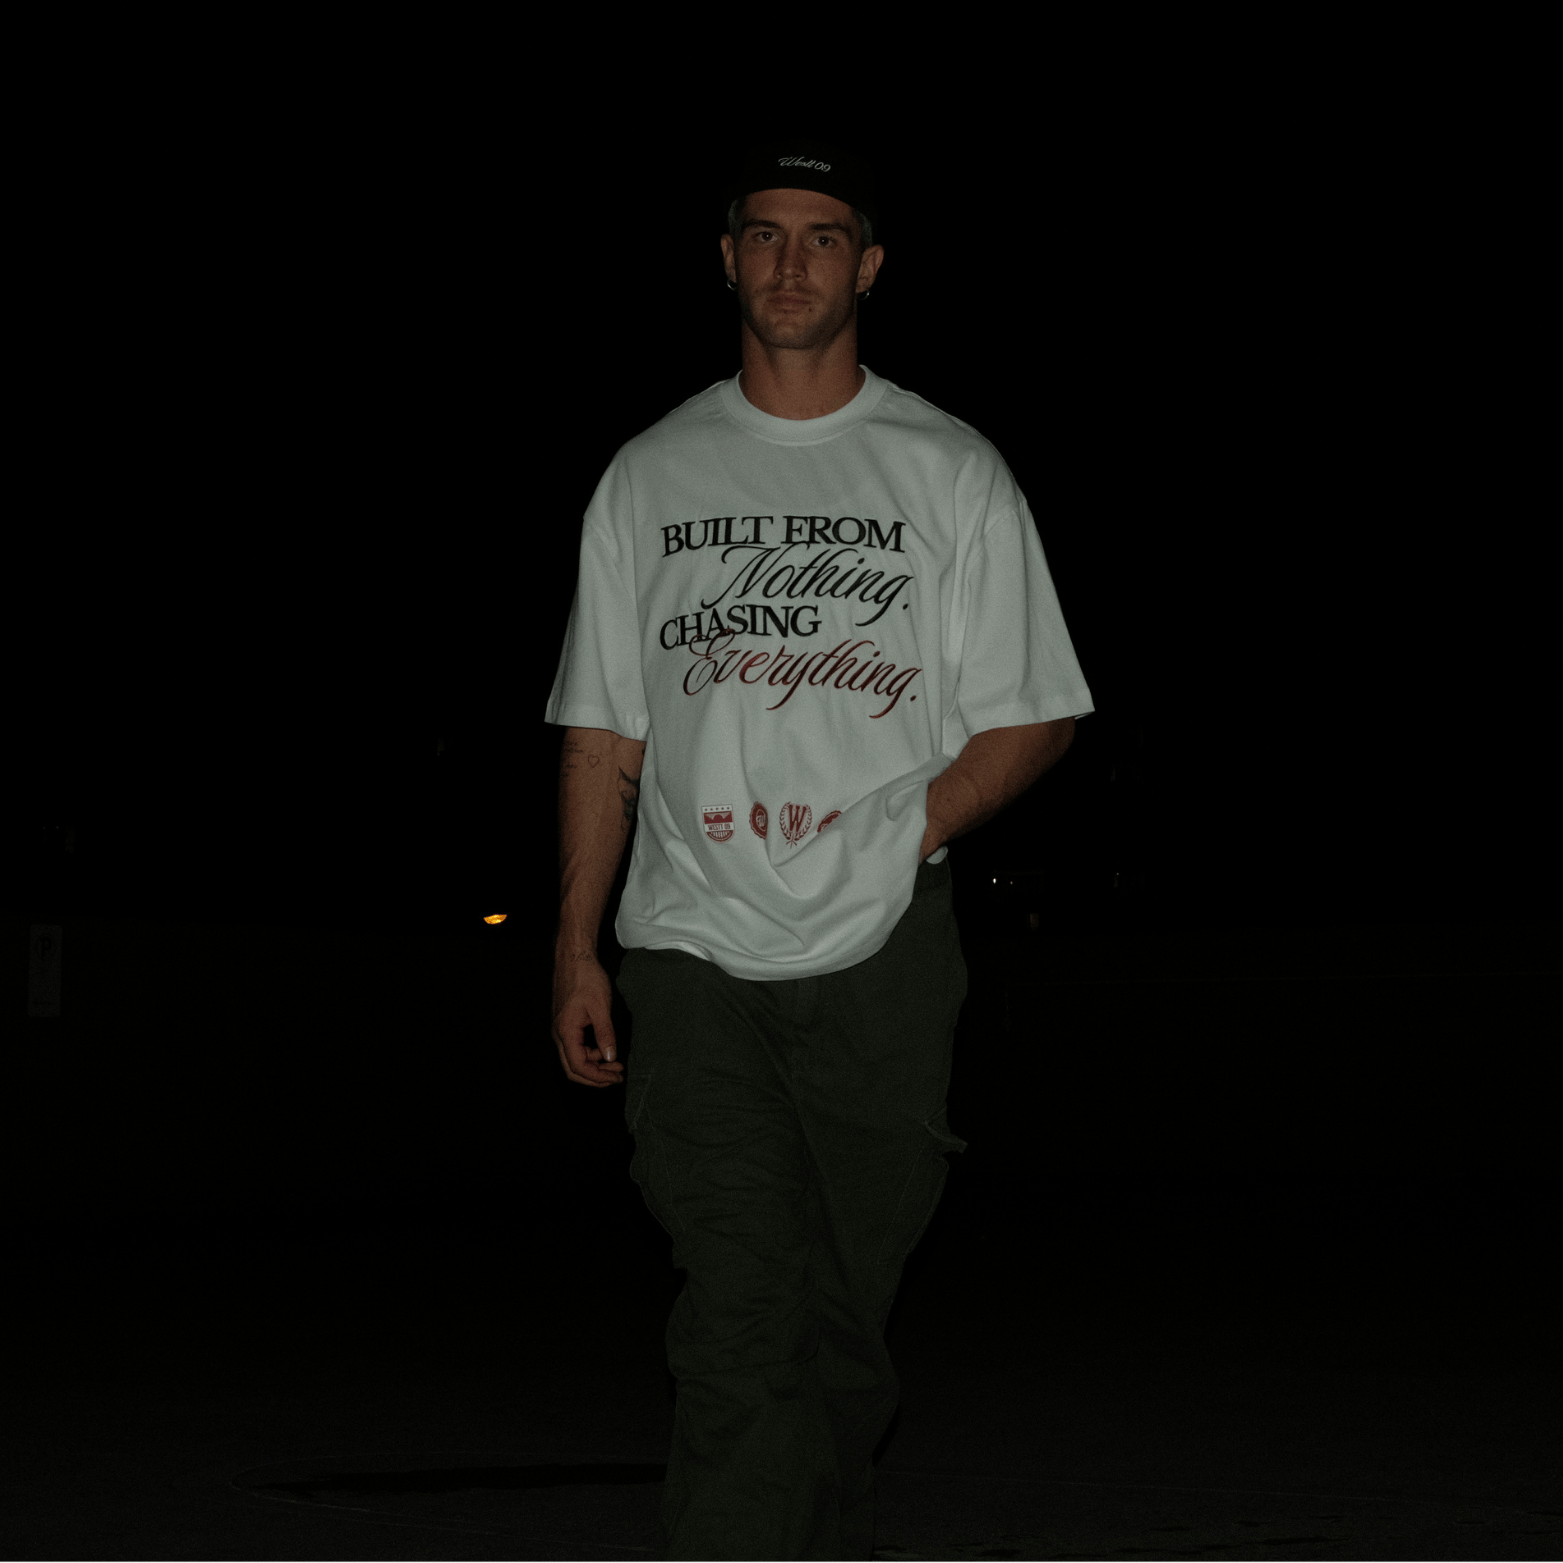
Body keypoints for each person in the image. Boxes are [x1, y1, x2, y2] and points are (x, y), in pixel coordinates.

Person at [544, 141, 1094, 1560]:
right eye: (764, 234)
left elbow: (1035, 714)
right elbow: (602, 733)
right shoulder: (649, 474)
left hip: (883, 953)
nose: (791, 262)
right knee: (739, 1305)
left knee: (839, 1320)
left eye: (824, 236)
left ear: (869, 265)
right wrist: (574, 944)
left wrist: (907, 827)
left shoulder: (949, 469)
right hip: (690, 948)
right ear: (725, 258)